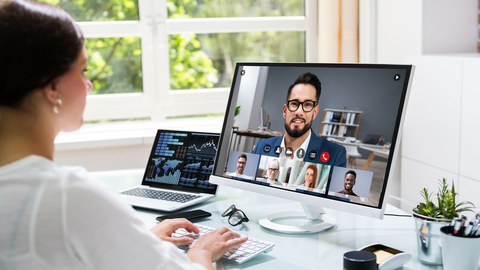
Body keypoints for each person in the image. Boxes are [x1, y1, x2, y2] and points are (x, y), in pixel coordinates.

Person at [0, 1, 246, 269]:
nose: (89, 84)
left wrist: (139, 244)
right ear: (53, 87)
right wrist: (202, 253)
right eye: (83, 71)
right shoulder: (67, 196)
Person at [253, 72, 346, 167]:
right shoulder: (261, 147)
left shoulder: (336, 155)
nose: (299, 112)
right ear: (285, 111)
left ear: (314, 112)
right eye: (294, 103)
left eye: (307, 104)